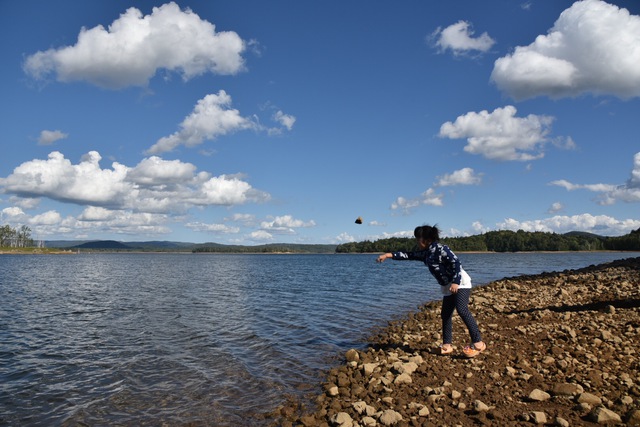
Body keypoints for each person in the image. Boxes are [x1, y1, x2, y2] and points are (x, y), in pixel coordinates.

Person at [376, 224, 486, 357]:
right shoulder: (426, 253)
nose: (417, 242)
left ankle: (478, 343)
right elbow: (408, 255)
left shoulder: (442, 249)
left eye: (418, 239)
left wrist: (456, 282)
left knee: (462, 309)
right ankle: (447, 345)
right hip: (447, 286)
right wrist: (388, 255)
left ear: (427, 240)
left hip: (460, 283)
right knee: (445, 315)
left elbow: (456, 263)